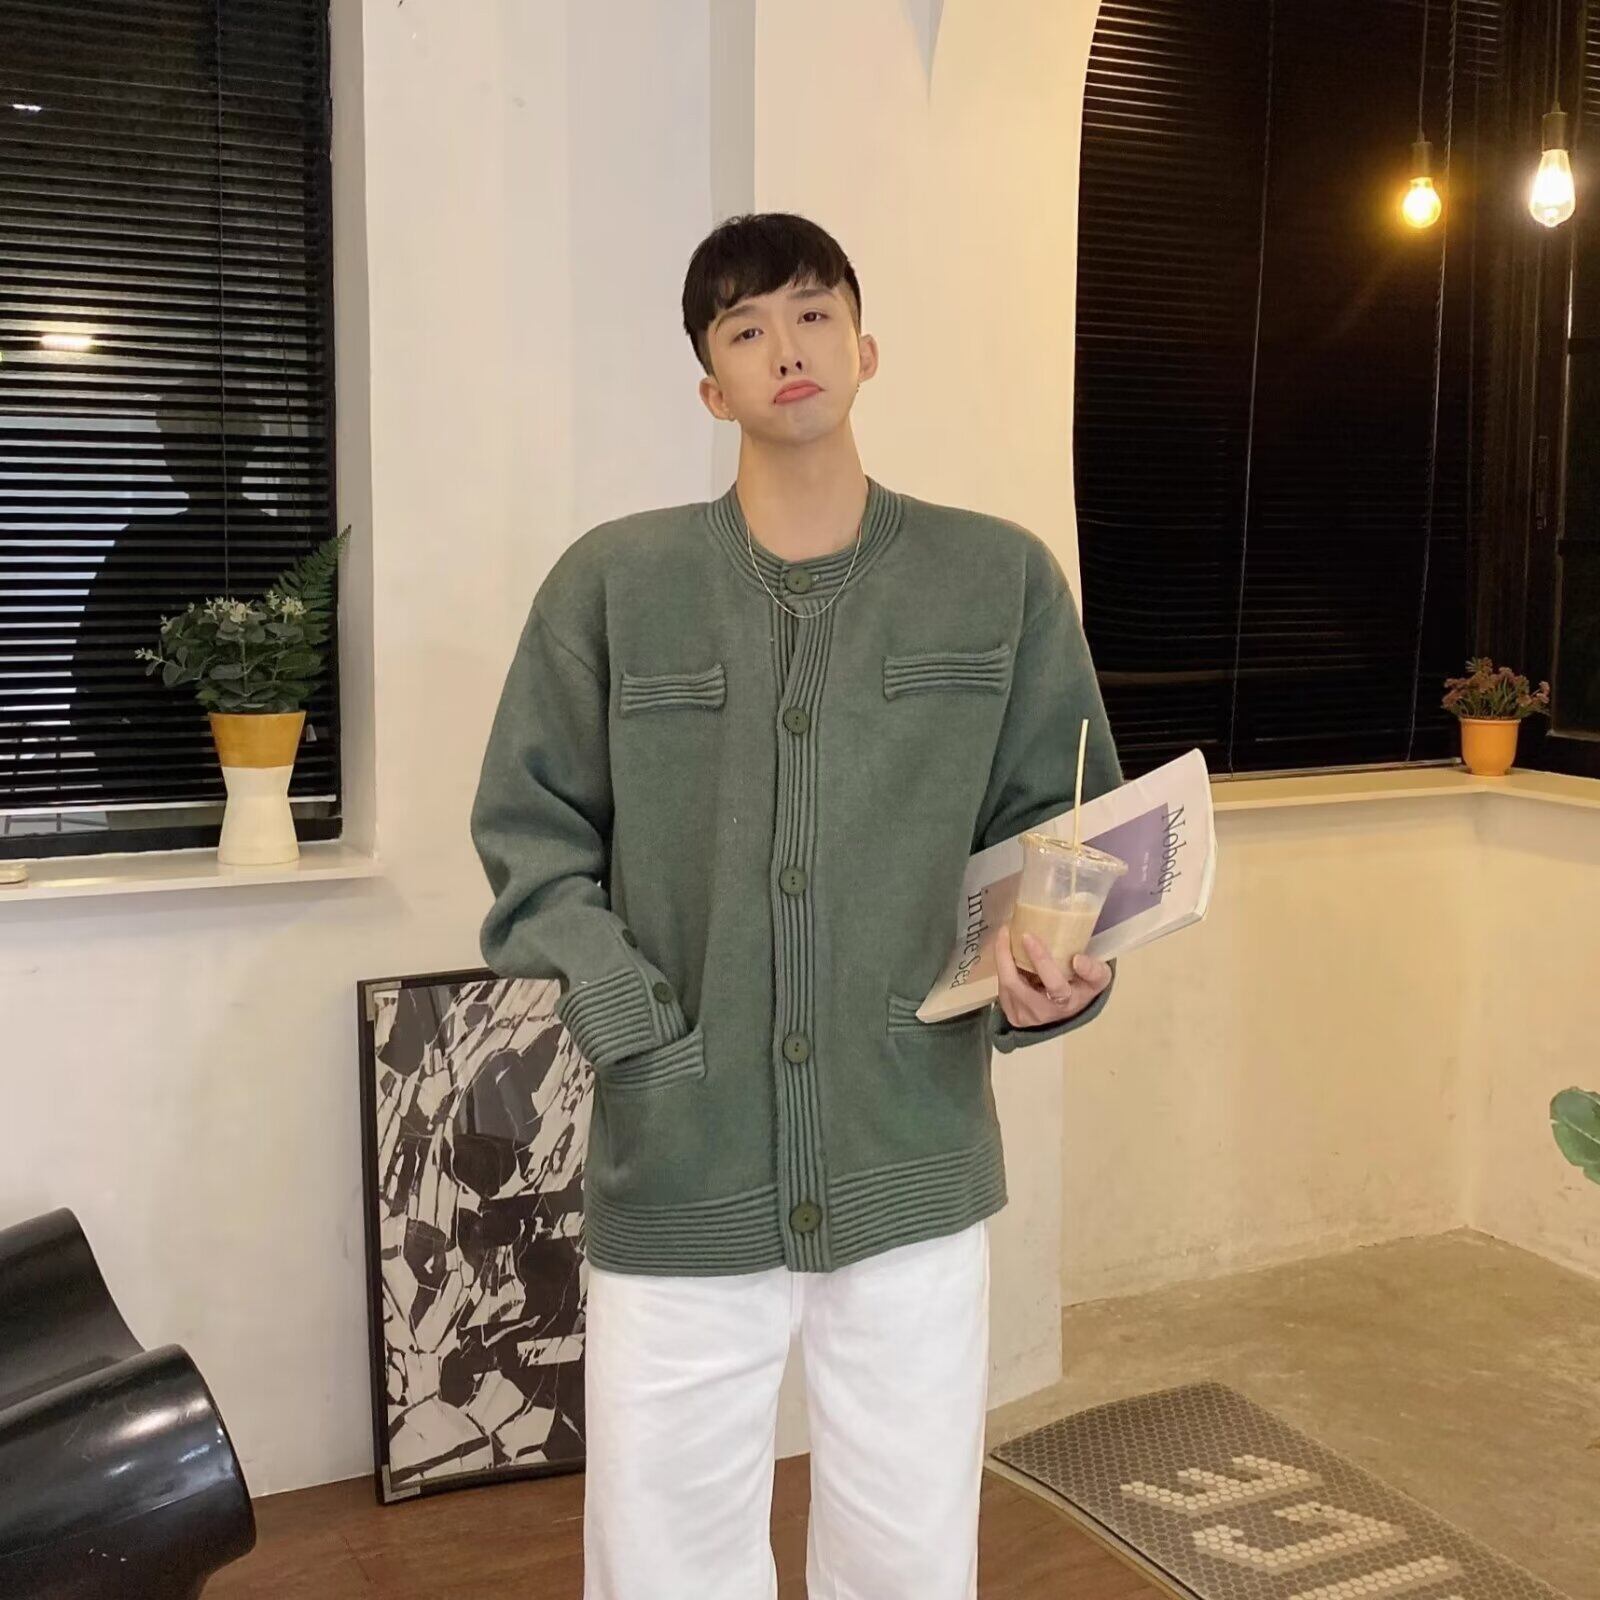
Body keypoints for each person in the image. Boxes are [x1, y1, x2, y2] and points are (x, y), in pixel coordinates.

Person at [470, 212, 1121, 1600]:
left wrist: (1058, 967)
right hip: (681, 1156)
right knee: (663, 1562)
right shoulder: (613, 584)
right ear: (712, 387)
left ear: (865, 349)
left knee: (908, 1556)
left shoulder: (997, 577)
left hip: (914, 1149)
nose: (787, 347)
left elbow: (1063, 831)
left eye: (815, 313)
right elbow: (531, 841)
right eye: (746, 327)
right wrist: (633, 1024)